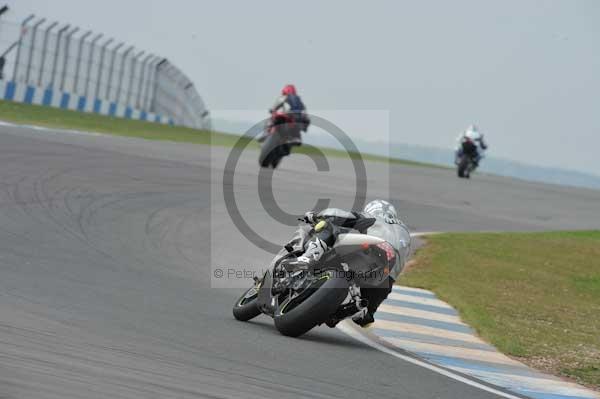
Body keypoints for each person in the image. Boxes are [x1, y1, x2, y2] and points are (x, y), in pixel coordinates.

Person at [281, 200, 411, 327]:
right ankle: (348, 311)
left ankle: (308, 257)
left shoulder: (377, 217)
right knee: (365, 317)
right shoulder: (405, 233)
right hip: (386, 275)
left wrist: (317, 215)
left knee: (328, 226)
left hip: (373, 248)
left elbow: (342, 216)